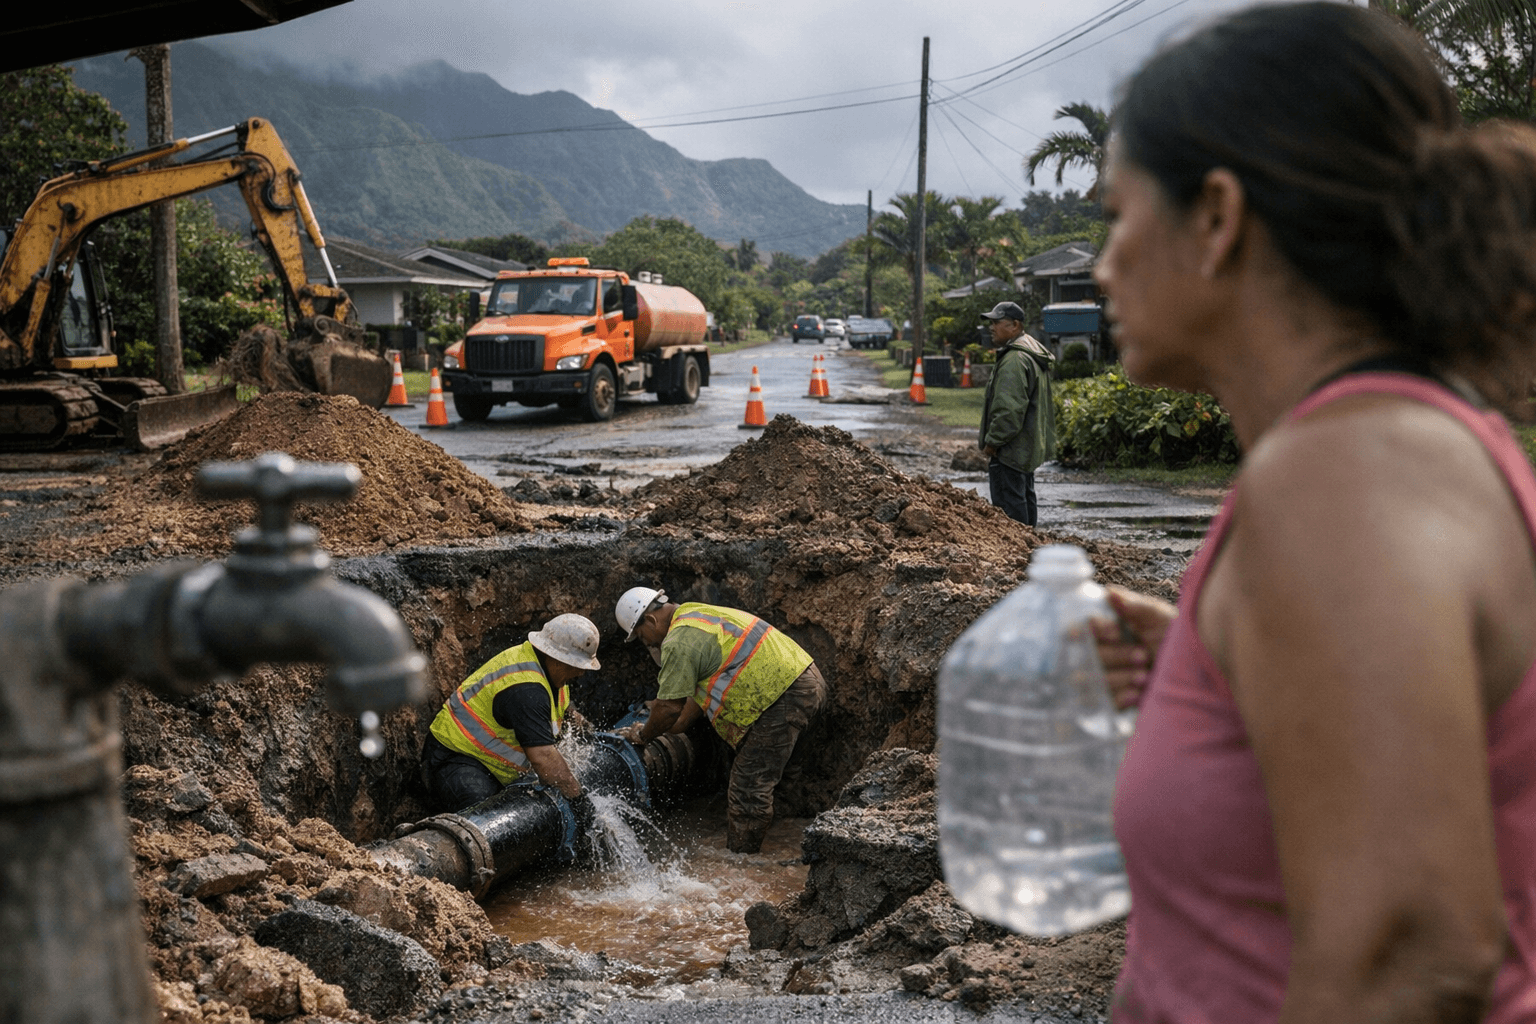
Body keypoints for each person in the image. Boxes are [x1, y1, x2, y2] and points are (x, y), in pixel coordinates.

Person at [1082, 4, 1536, 1021]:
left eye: (1119, 215)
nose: (1104, 264)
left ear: (1217, 217)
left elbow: (1409, 955)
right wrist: (1225, 672)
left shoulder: (1343, 477)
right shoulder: (1388, 448)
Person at [612, 587, 826, 853]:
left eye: (645, 639)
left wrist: (643, 735)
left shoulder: (678, 641)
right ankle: (783, 852)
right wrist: (663, 720)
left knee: (748, 790)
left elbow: (668, 707)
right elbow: (681, 715)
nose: (651, 645)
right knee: (780, 781)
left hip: (779, 697)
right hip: (807, 681)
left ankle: (742, 865)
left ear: (652, 621)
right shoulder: (696, 614)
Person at [421, 613, 601, 812]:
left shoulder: (549, 673)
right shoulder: (527, 690)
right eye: (576, 665)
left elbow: (561, 708)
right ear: (556, 658)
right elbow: (544, 759)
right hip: (454, 758)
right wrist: (579, 802)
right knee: (488, 819)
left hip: (484, 763)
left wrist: (583, 726)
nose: (581, 673)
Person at [977, 300, 1055, 526]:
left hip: (1010, 450)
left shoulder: (1014, 359)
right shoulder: (1029, 352)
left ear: (1015, 325)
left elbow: (1008, 411)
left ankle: (1019, 556)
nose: (991, 327)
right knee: (1024, 500)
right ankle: (1030, 550)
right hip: (1025, 448)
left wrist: (993, 442)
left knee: (1010, 512)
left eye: (997, 322)